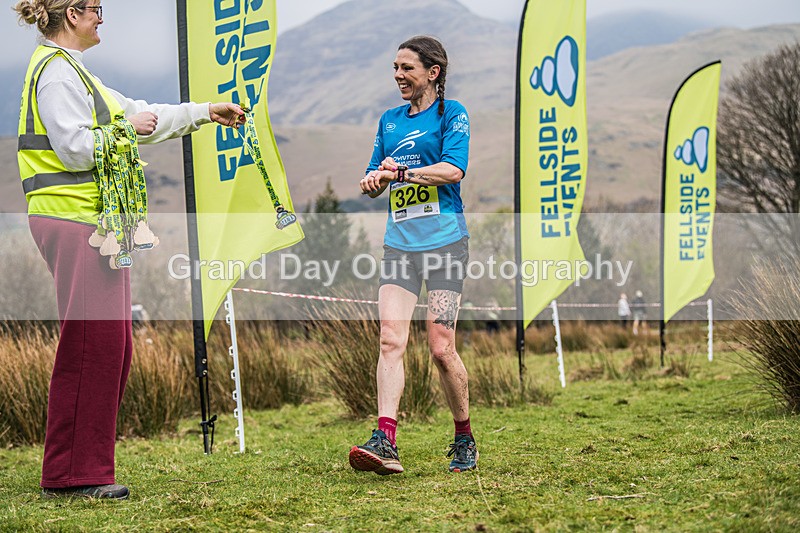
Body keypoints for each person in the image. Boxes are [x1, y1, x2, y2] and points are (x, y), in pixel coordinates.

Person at [14, 0, 245, 500]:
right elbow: (75, 146)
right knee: (91, 346)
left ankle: (83, 467)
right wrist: (124, 131)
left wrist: (205, 112)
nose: (102, 17)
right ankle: (72, 476)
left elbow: (141, 114)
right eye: (96, 8)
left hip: (97, 221)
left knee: (113, 345)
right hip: (74, 218)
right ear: (72, 13)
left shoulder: (74, 71)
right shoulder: (55, 74)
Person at [350, 35, 477, 475]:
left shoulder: (452, 114)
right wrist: (373, 181)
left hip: (444, 242)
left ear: (432, 73)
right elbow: (375, 170)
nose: (398, 76)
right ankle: (385, 439)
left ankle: (463, 436)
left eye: (406, 68)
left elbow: (452, 169)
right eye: (395, 68)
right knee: (390, 338)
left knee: (441, 349)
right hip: (400, 244)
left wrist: (402, 172)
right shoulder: (389, 121)